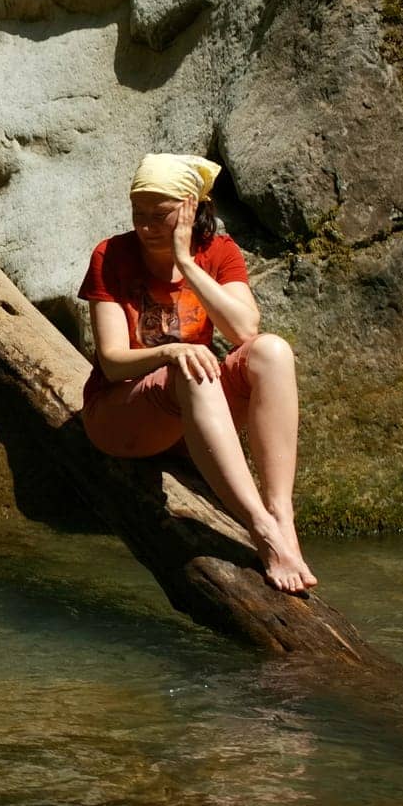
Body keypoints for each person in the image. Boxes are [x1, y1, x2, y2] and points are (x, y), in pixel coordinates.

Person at [78, 153, 318, 593]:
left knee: (272, 352)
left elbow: (244, 329)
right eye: (138, 214)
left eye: (160, 215)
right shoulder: (110, 255)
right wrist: (170, 352)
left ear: (191, 209)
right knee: (188, 366)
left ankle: (282, 515)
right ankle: (261, 529)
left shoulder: (218, 252)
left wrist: (186, 263)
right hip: (121, 416)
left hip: (190, 416)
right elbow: (112, 361)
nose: (146, 226)